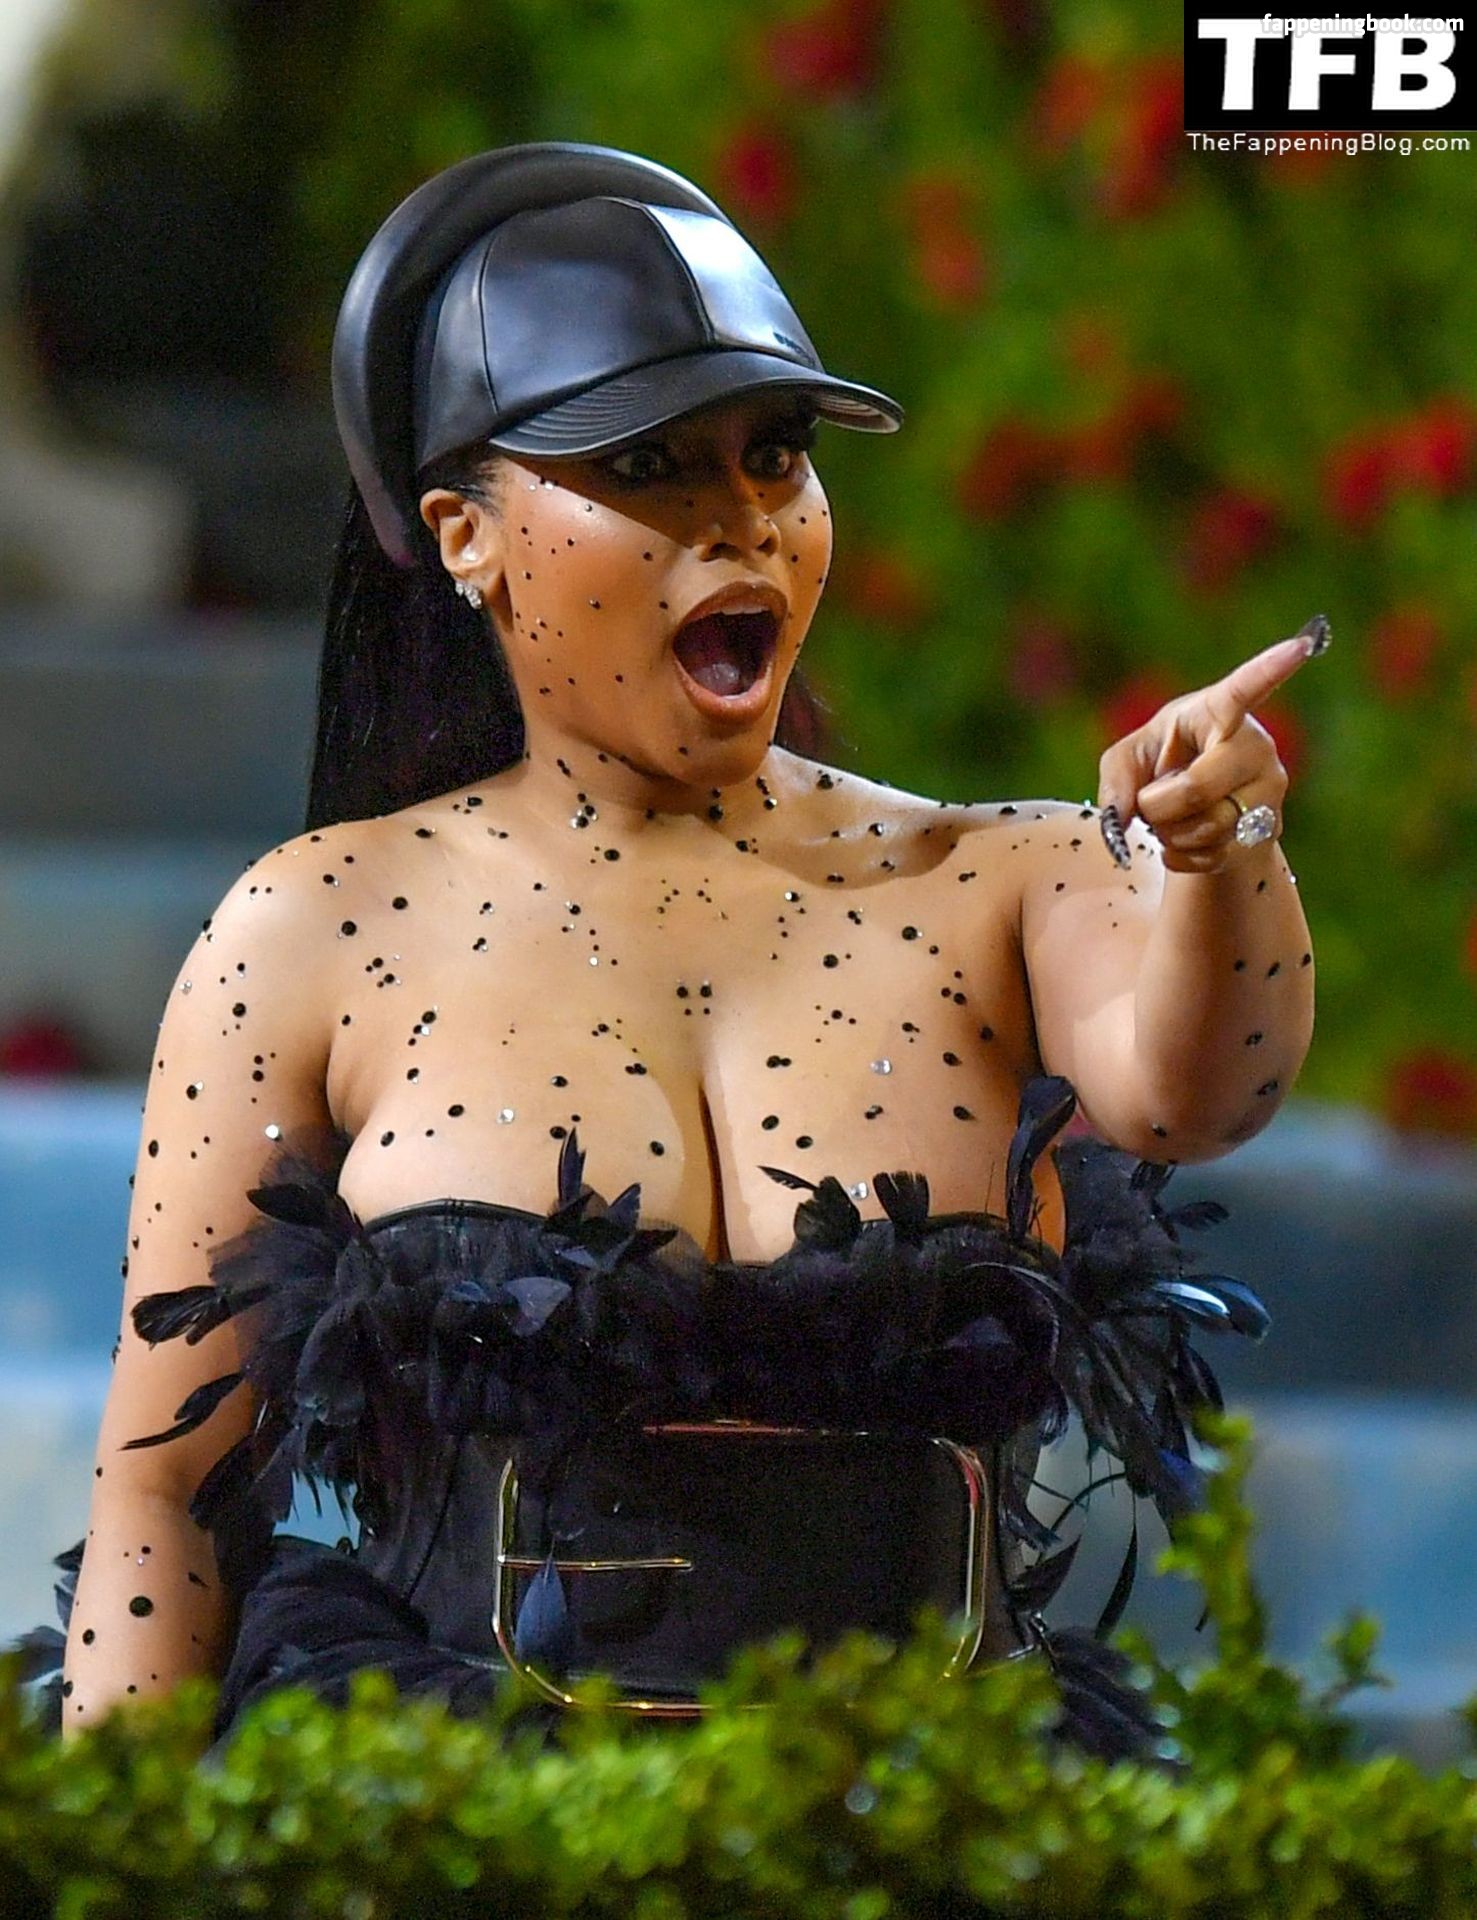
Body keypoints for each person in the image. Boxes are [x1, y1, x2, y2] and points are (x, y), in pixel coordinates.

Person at [7, 142, 1316, 1762]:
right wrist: (115, 1852)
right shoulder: (313, 927)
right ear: (465, 535)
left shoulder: (1004, 878)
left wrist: (1218, 852)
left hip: (931, 1807)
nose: (743, 519)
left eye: (775, 457)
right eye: (650, 466)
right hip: (454, 1812)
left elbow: (1202, 1092)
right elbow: (166, 1493)